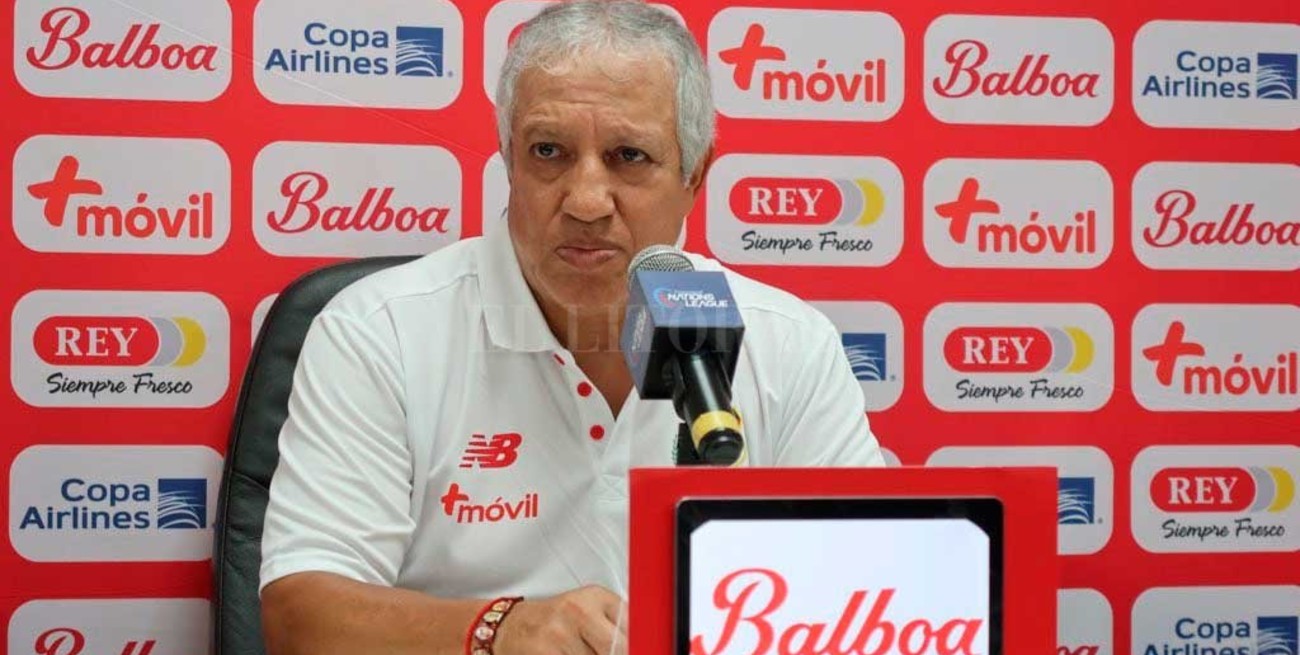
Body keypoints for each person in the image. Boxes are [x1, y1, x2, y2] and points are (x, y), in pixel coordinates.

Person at [258, 1, 886, 653]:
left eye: (629, 156)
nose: (586, 201)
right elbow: (301, 617)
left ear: (694, 175)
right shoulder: (379, 331)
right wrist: (497, 629)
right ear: (509, 159)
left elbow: (871, 586)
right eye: (549, 152)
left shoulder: (788, 342)